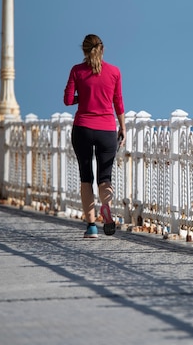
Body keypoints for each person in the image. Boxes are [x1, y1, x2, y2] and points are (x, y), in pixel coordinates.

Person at [64, 34, 126, 238]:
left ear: (84, 50)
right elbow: (118, 102)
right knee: (104, 177)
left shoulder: (77, 71)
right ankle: (106, 206)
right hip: (107, 129)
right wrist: (122, 128)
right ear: (103, 49)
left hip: (82, 128)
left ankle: (91, 226)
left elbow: (67, 100)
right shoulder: (115, 71)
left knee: (85, 177)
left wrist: (83, 95)